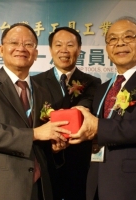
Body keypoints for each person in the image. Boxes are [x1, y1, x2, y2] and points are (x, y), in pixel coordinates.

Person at [69, 16, 136, 200]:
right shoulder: (104, 88)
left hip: (134, 186)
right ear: (107, 48)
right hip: (97, 183)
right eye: (112, 39)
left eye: (128, 37)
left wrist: (98, 127)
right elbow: (96, 134)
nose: (119, 43)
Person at [0, 23, 70, 200]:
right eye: (14, 43)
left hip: (39, 188)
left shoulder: (43, 91)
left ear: (36, 54)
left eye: (28, 44)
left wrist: (54, 148)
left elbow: (42, 140)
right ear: (1, 49)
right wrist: (35, 134)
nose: (21, 48)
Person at [32, 27, 101, 200]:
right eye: (58, 44)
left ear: (78, 49)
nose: (64, 50)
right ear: (50, 50)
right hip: (47, 164)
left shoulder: (92, 82)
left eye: (70, 45)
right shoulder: (35, 82)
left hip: (80, 164)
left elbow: (86, 108)